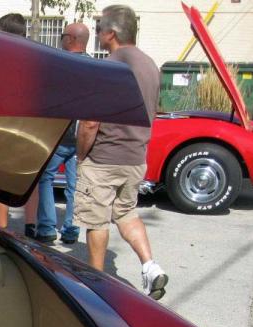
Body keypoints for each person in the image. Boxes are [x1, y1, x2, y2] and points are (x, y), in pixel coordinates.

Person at [74, 5, 167, 299]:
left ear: (111, 33)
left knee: (96, 221)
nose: (97, 33)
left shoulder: (109, 66)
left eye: (100, 28)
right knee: (126, 212)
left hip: (104, 157)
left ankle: (97, 285)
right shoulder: (151, 65)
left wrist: (80, 154)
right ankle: (150, 267)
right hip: (135, 156)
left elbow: (90, 122)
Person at [33, 22, 90, 245]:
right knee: (74, 184)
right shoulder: (94, 67)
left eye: (62, 35)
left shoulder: (60, 64)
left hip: (59, 134)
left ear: (70, 39)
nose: (60, 38)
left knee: (45, 178)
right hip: (83, 136)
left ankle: (47, 228)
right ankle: (71, 229)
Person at [0, 13, 39, 234]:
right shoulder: (35, 54)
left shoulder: (1, 56)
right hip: (33, 126)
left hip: (7, 124)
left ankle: (2, 227)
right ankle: (31, 225)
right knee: (32, 178)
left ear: (4, 31)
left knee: (2, 176)